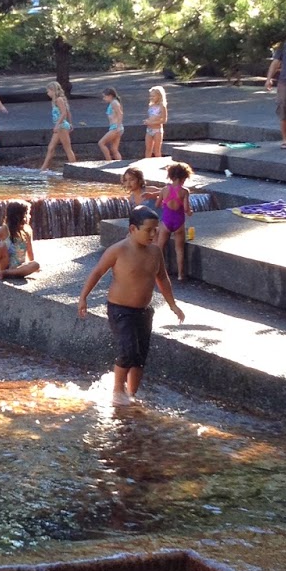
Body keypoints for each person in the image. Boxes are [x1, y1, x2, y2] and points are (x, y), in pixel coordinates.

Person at [77, 204, 185, 403]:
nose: (153, 234)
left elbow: (162, 278)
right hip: (120, 310)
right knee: (128, 351)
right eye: (148, 230)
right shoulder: (118, 250)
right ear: (133, 229)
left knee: (139, 357)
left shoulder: (155, 252)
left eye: (156, 230)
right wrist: (84, 297)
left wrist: (173, 305)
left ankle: (132, 395)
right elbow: (97, 272)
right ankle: (117, 392)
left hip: (144, 311)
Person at [0, 200, 40, 283]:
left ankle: (6, 273)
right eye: (27, 214)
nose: (29, 216)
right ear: (19, 216)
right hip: (5, 263)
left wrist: (32, 264)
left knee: (36, 265)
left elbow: (30, 250)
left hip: (19, 267)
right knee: (0, 245)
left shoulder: (28, 230)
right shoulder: (4, 229)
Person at [157, 161, 193, 282]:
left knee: (160, 247)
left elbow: (157, 204)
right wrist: (189, 212)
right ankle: (180, 275)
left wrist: (164, 203)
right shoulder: (184, 191)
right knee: (179, 249)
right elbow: (186, 209)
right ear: (183, 177)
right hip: (179, 222)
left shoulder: (164, 190)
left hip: (166, 221)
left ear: (171, 176)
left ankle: (160, 271)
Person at [39, 82, 77, 171]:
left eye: (48, 91)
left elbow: (64, 113)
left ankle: (75, 168)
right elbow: (68, 112)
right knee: (51, 147)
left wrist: (58, 125)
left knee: (67, 148)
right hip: (60, 126)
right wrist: (70, 123)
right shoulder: (55, 101)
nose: (47, 93)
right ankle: (43, 168)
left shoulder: (59, 100)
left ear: (53, 90)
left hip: (61, 126)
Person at [98, 88, 124, 161]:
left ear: (110, 96)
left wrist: (118, 126)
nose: (104, 99)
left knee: (101, 143)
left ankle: (108, 160)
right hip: (114, 127)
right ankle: (119, 162)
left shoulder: (114, 103)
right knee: (114, 149)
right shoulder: (113, 103)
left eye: (105, 97)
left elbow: (120, 114)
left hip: (115, 127)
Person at [144, 85, 168, 159]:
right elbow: (151, 116)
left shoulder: (162, 106)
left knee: (157, 151)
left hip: (157, 130)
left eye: (153, 96)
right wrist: (147, 121)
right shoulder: (151, 105)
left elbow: (164, 120)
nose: (151, 98)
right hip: (149, 129)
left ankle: (159, 163)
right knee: (148, 150)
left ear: (159, 96)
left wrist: (152, 123)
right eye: (150, 96)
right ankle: (146, 162)